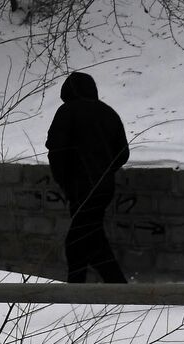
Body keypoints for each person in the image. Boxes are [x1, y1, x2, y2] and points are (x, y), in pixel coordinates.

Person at [46, 72, 130, 283]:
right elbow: (123, 153)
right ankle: (79, 287)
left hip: (79, 188)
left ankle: (117, 288)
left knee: (84, 239)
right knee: (83, 238)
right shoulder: (108, 112)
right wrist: (104, 171)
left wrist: (65, 181)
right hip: (104, 188)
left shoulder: (67, 112)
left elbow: (57, 150)